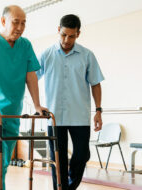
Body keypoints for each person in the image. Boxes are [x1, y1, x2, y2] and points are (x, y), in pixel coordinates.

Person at [0, 5, 48, 190]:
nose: (20, 27)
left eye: (24, 23)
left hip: (13, 112)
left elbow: (31, 76)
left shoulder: (25, 45)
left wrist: (37, 105)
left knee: (5, 160)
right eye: (16, 22)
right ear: (3, 21)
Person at [37, 14, 105, 190]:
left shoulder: (87, 55)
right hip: (54, 117)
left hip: (79, 115)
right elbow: (31, 78)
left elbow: (95, 84)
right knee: (57, 160)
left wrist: (98, 110)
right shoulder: (46, 54)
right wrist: (37, 104)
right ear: (58, 30)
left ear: (78, 34)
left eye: (72, 36)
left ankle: (69, 187)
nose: (67, 40)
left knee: (82, 155)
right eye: (64, 35)